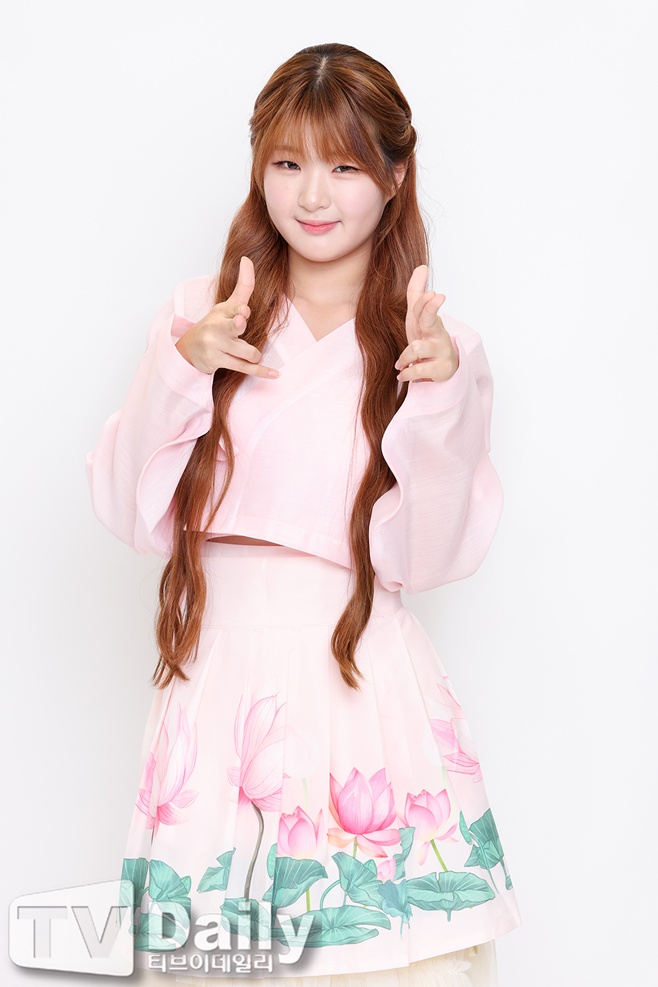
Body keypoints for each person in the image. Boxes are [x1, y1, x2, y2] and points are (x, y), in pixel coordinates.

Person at [87, 42, 521, 987]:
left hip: (359, 673)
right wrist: (183, 368)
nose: (313, 194)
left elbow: (428, 557)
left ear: (395, 176)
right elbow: (127, 507)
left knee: (389, 963)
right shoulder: (203, 314)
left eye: (345, 166)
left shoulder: (436, 345)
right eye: (288, 162)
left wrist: (439, 398)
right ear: (259, 167)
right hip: (220, 680)